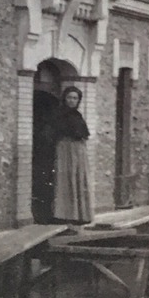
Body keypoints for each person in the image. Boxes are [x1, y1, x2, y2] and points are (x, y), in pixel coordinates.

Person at [52, 86, 94, 223]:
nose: (72, 100)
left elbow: (83, 134)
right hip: (65, 149)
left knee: (79, 178)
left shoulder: (78, 115)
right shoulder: (59, 114)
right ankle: (66, 215)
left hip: (79, 150)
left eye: (75, 98)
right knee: (67, 178)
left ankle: (80, 215)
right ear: (64, 98)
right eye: (69, 97)